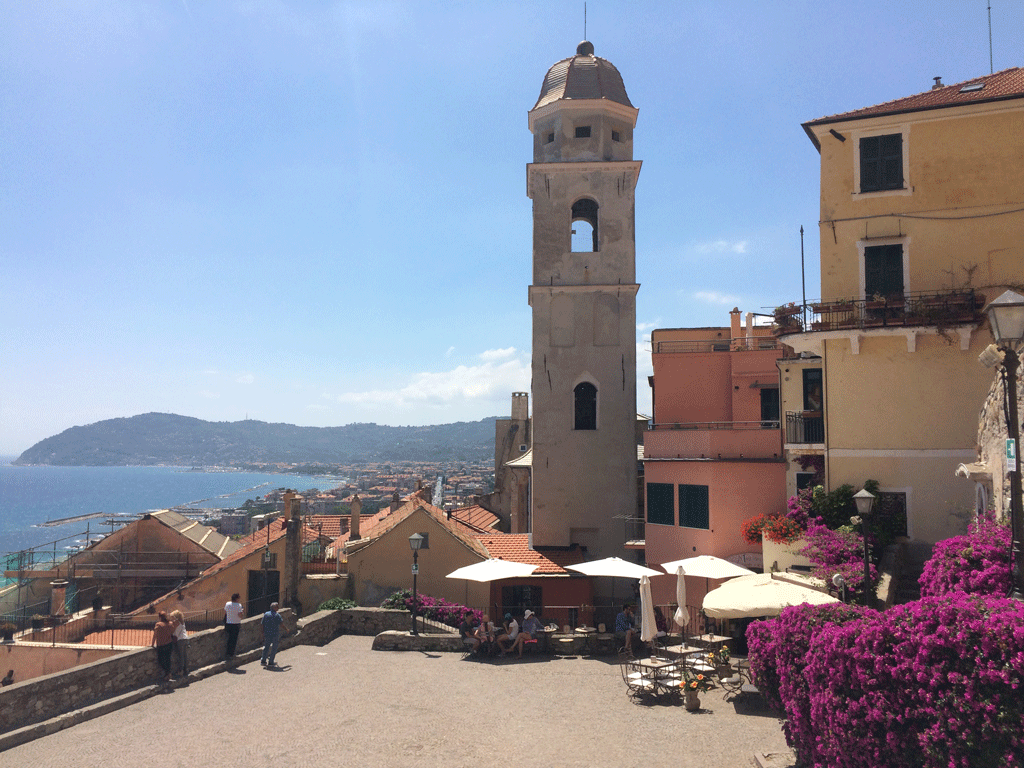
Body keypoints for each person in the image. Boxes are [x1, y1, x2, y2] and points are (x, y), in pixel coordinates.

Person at [151, 611, 175, 683]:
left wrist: (152, 644)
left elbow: (155, 635)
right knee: (168, 659)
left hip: (161, 645)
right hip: (169, 644)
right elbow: (173, 632)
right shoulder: (170, 624)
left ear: (160, 617)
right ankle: (168, 674)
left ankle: (167, 673)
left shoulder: (158, 625)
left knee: (160, 660)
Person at [260, 602, 285, 667]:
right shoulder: (277, 615)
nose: (278, 608)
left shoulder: (266, 614)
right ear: (274, 608)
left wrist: (262, 632)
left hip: (267, 633)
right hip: (275, 633)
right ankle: (271, 661)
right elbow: (281, 624)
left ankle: (263, 660)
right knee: (274, 647)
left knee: (266, 647)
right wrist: (287, 629)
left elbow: (262, 624)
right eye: (277, 606)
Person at [170, 609, 188, 678]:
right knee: (184, 655)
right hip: (185, 639)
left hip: (180, 640)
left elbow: (174, 634)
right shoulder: (182, 622)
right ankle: (186, 669)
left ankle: (181, 671)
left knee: (181, 656)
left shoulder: (177, 623)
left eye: (172, 617)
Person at [224, 593, 244, 658]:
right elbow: (240, 615)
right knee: (233, 639)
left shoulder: (227, 604)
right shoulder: (239, 605)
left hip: (228, 623)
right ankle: (231, 654)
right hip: (235, 623)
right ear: (237, 598)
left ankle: (227, 653)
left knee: (229, 639)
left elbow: (225, 612)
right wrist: (242, 612)